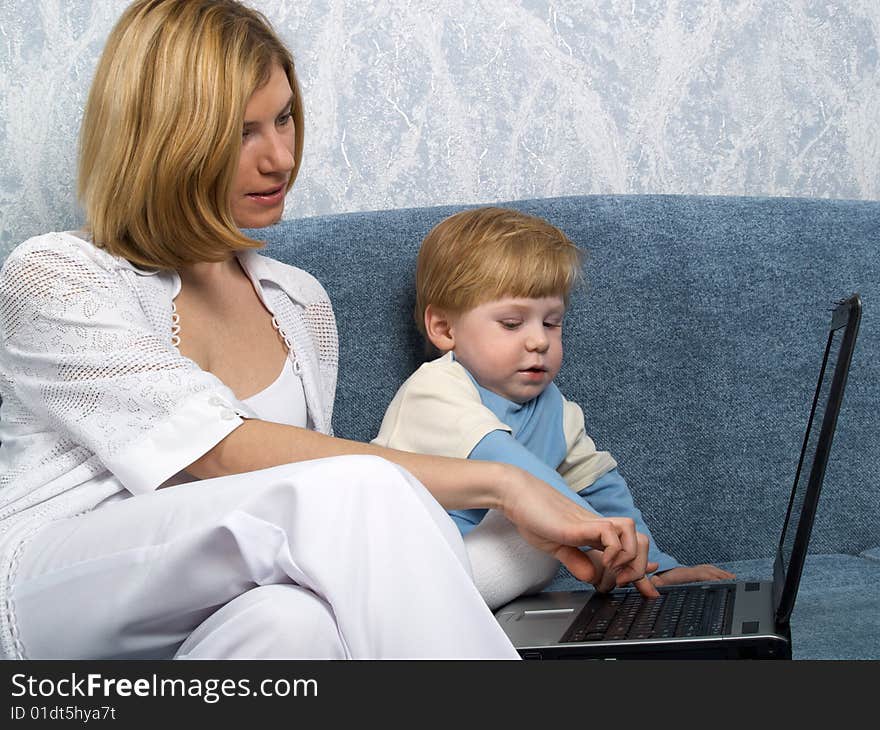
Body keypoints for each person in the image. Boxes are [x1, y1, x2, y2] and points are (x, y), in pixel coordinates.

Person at [0, 0, 656, 660]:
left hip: (214, 614)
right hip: (53, 597)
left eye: (283, 117)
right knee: (371, 491)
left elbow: (302, 509)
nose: (280, 157)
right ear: (163, 138)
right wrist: (507, 484)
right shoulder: (54, 274)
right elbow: (220, 452)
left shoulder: (297, 301)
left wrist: (539, 513)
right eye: (241, 133)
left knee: (297, 621)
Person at [373, 207, 735, 609]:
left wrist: (652, 568)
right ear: (444, 329)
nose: (538, 341)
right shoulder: (435, 390)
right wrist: (598, 536)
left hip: (472, 564)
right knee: (536, 532)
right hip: (395, 558)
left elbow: (600, 490)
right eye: (512, 324)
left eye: (551, 323)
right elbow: (509, 467)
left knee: (536, 541)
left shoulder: (556, 409)